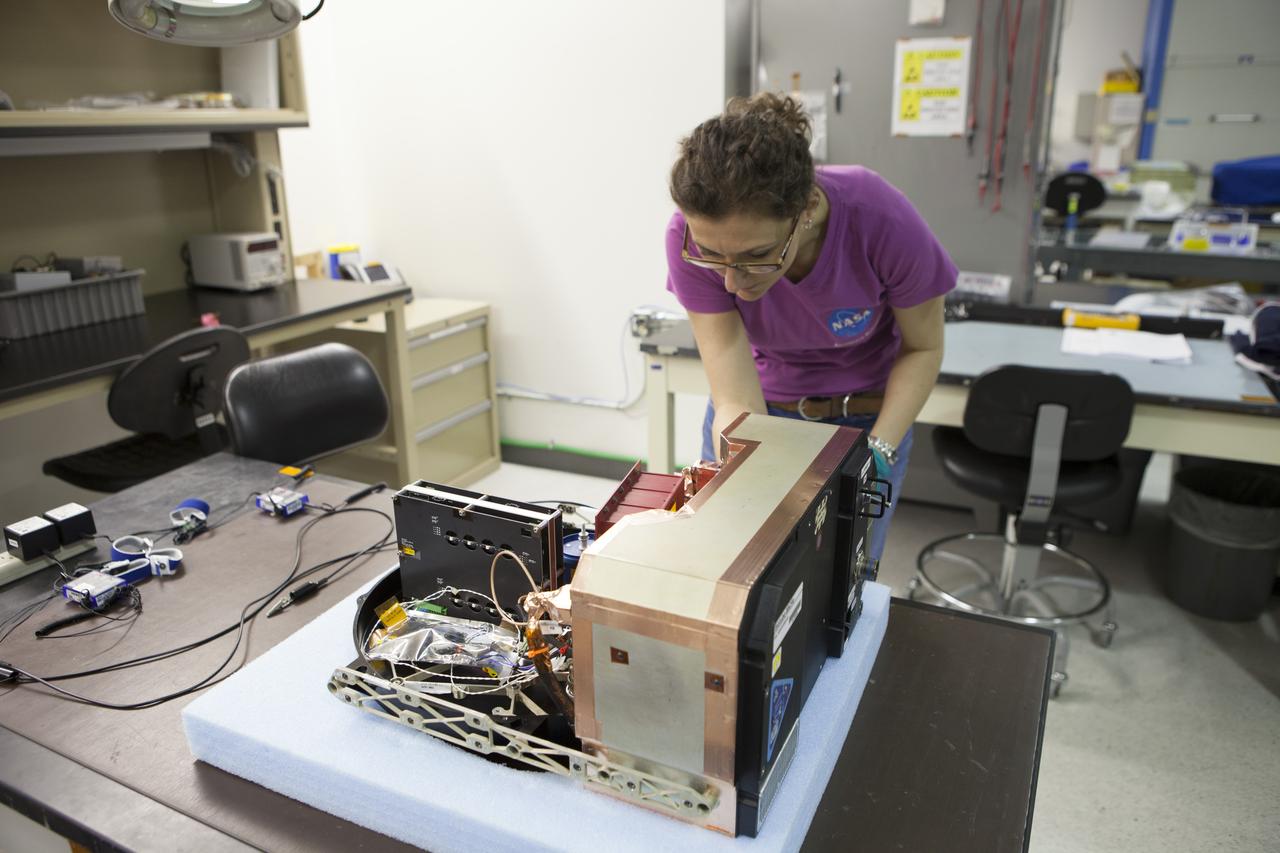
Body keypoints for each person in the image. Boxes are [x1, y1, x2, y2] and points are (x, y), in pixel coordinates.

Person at [664, 93, 957, 566]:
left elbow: (923, 348)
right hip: (764, 406)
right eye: (714, 258)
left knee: (841, 575)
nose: (732, 282)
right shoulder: (691, 237)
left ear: (805, 209)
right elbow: (733, 388)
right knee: (733, 561)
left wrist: (878, 450)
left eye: (758, 256)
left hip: (867, 421)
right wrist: (745, 452)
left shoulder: (877, 217)